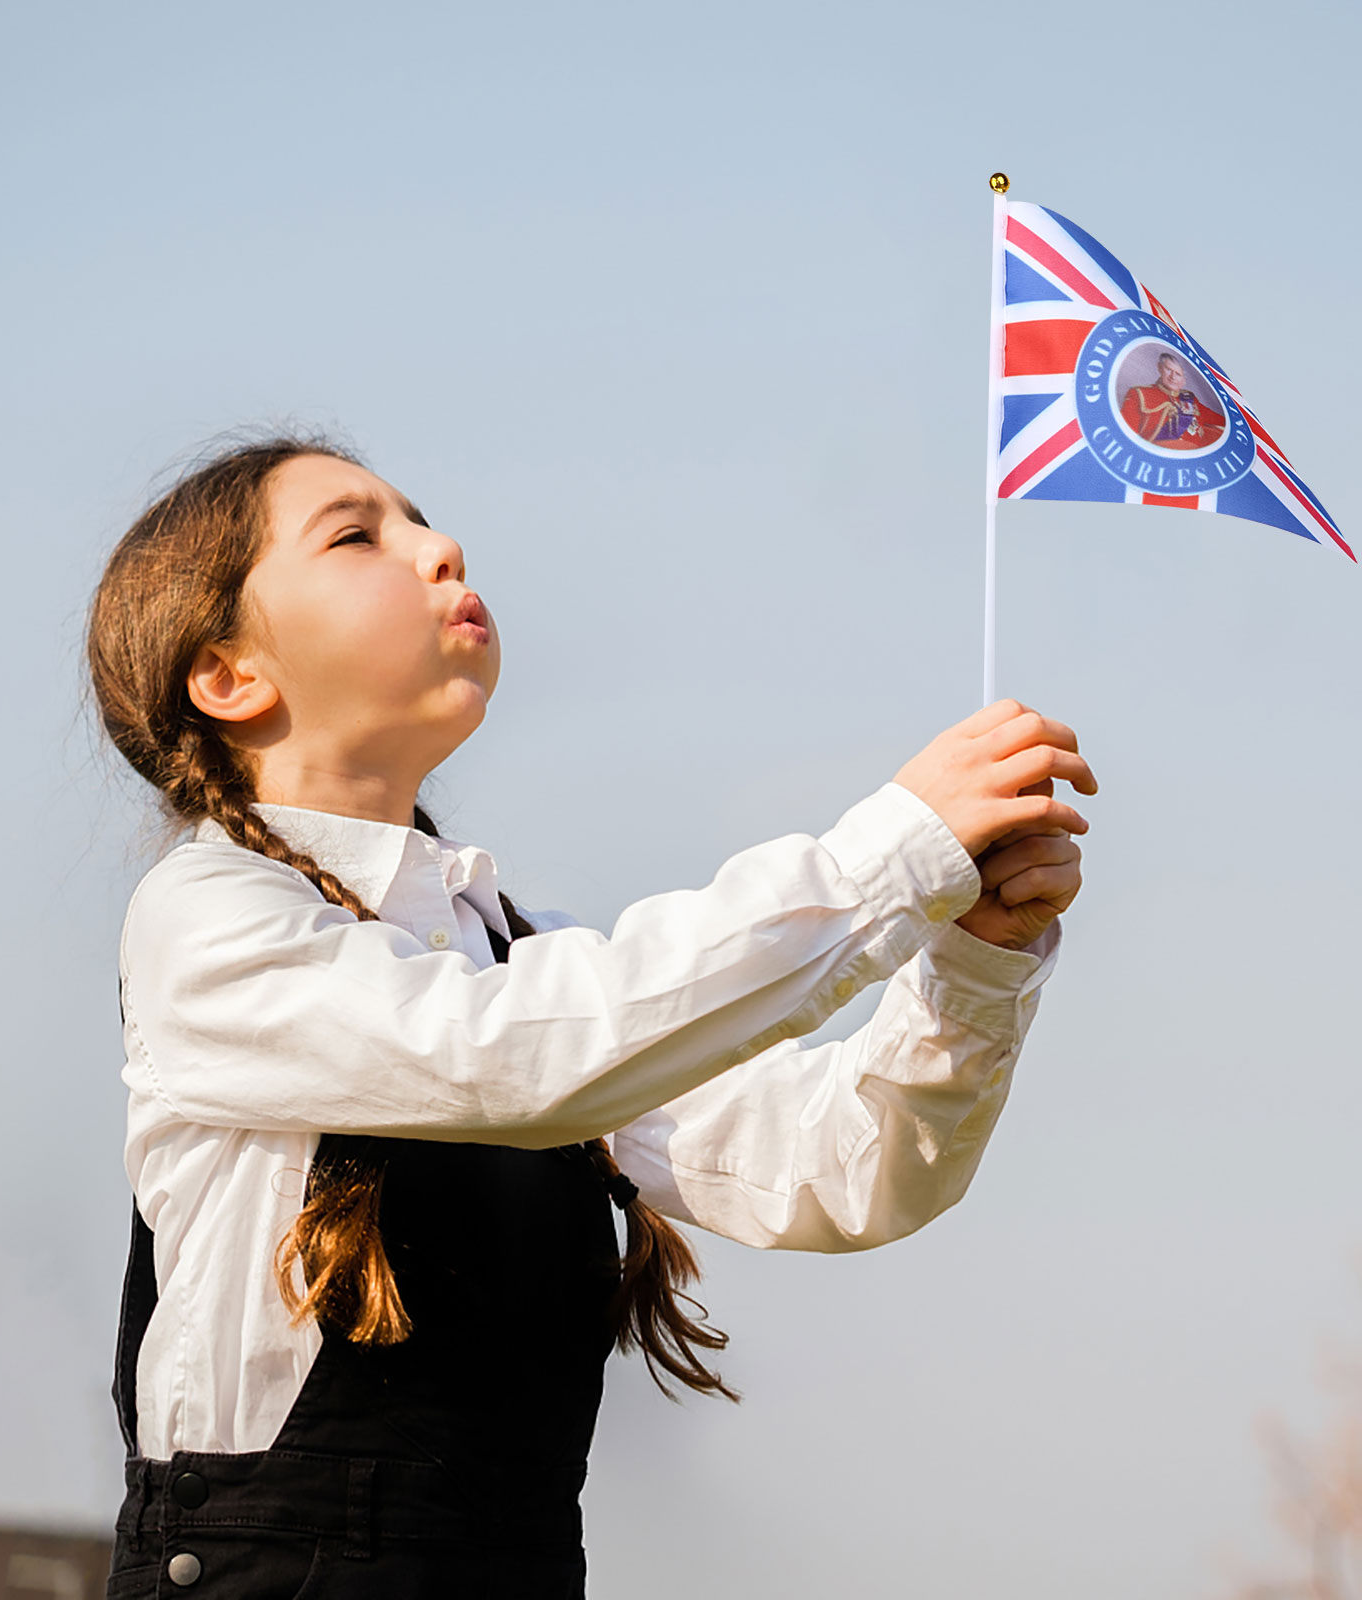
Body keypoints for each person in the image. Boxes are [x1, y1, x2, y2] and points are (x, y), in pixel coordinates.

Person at [85, 434, 1095, 1599]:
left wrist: (973, 959)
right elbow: (506, 1055)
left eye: (421, 517)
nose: (440, 547)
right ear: (227, 676)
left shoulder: (518, 952)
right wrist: (895, 853)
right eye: (357, 535)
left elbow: (842, 1167)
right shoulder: (206, 913)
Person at [1120, 350, 1226, 449]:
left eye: (1178, 374)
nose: (1173, 377)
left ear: (1184, 380)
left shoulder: (1190, 399)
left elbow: (1220, 420)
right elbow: (1125, 434)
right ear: (1160, 368)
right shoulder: (1140, 394)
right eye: (1169, 370)